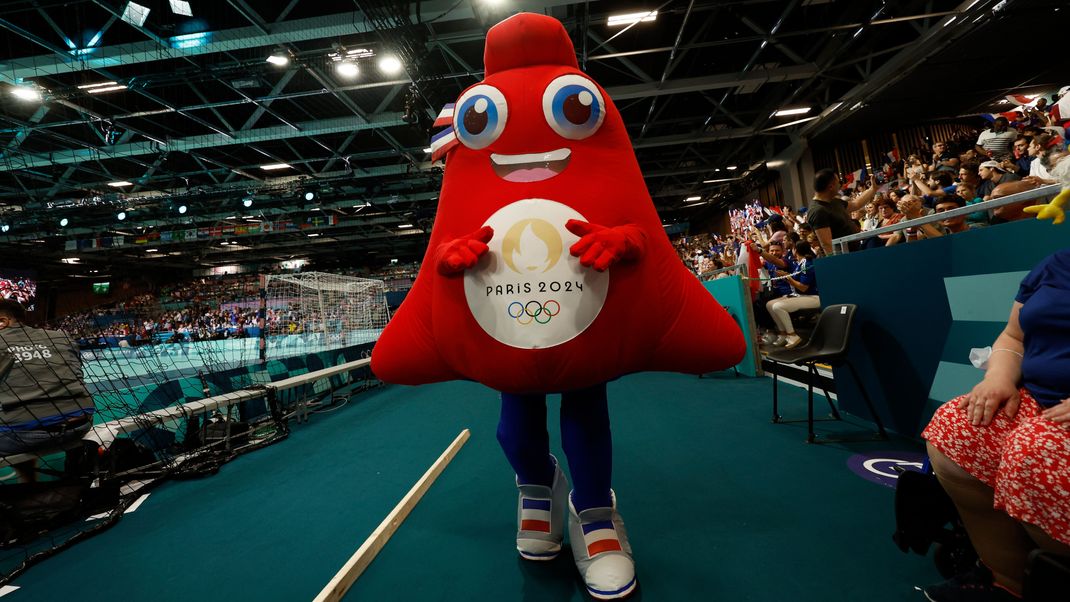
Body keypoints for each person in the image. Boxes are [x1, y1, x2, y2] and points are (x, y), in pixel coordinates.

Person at [919, 248, 1070, 601]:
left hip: (1053, 426)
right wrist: (999, 377)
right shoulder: (1055, 262)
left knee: (1035, 451)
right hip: (1041, 399)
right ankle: (1007, 579)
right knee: (960, 425)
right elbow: (1014, 336)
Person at [0, 299, 95, 482]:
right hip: (80, 424)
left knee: (19, 417)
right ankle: (76, 468)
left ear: (3, 321)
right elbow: (76, 375)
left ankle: (28, 482)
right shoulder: (62, 336)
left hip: (24, 435)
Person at [807, 168, 876, 255]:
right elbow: (827, 245)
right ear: (831, 187)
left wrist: (873, 189)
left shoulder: (833, 200)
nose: (840, 185)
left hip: (854, 252)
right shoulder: (817, 210)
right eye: (838, 182)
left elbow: (856, 204)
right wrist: (838, 265)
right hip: (844, 258)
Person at [765, 241, 820, 349]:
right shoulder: (800, 263)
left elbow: (803, 287)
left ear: (795, 250)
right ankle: (783, 333)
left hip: (813, 297)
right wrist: (787, 276)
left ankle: (792, 335)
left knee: (778, 306)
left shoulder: (806, 263)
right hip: (801, 296)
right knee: (769, 304)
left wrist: (787, 278)